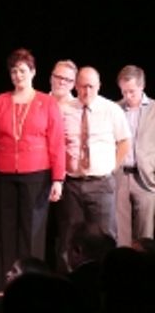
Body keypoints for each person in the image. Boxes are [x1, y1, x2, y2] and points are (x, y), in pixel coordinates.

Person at [0, 48, 65, 292]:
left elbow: (56, 142)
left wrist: (58, 179)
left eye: (23, 71)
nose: (18, 75)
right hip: (3, 174)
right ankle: (5, 282)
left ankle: (32, 283)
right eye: (14, 71)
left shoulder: (47, 103)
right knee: (4, 230)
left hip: (37, 175)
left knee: (32, 230)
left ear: (33, 72)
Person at [57, 66, 129, 271]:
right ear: (76, 86)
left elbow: (124, 142)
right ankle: (71, 282)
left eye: (91, 86)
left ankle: (107, 281)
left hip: (101, 183)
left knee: (105, 235)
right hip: (72, 184)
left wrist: (111, 167)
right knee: (70, 237)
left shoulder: (111, 109)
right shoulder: (65, 109)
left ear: (99, 86)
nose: (86, 91)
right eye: (82, 86)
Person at [116, 65, 155, 244]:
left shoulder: (154, 109)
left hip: (146, 177)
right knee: (120, 232)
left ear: (142, 86)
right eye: (124, 92)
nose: (127, 96)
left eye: (131, 91)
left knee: (144, 234)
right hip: (121, 176)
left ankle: (145, 270)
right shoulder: (115, 109)